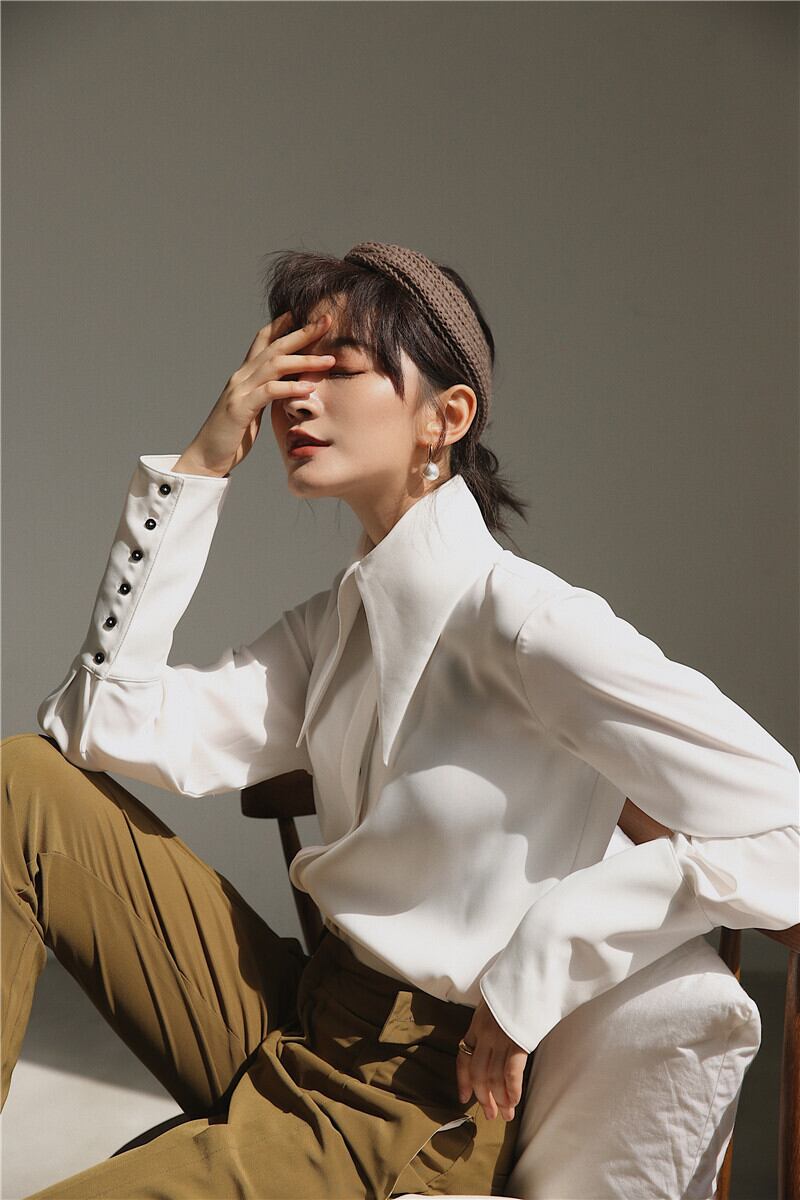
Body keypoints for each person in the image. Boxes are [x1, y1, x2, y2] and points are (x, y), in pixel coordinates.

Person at [2, 241, 798, 1200]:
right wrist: (201, 466)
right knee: (20, 782)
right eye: (288, 368)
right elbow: (98, 721)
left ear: (444, 417)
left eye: (337, 369)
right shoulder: (339, 622)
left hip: (412, 1101)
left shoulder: (530, 623)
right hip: (302, 1009)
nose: (294, 398)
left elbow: (786, 830)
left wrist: (540, 965)